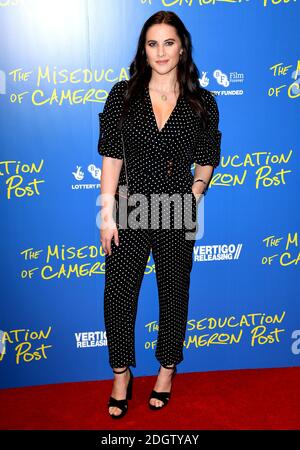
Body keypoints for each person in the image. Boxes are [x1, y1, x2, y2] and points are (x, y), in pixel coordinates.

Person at [98, 10, 222, 419]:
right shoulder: (123, 95)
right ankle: (121, 375)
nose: (161, 51)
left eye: (168, 42)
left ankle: (166, 371)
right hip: (130, 204)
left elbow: (206, 159)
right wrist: (106, 213)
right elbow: (112, 157)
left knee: (173, 294)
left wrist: (195, 193)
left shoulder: (202, 101)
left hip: (176, 207)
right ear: (143, 50)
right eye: (153, 43)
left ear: (182, 47)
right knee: (118, 295)